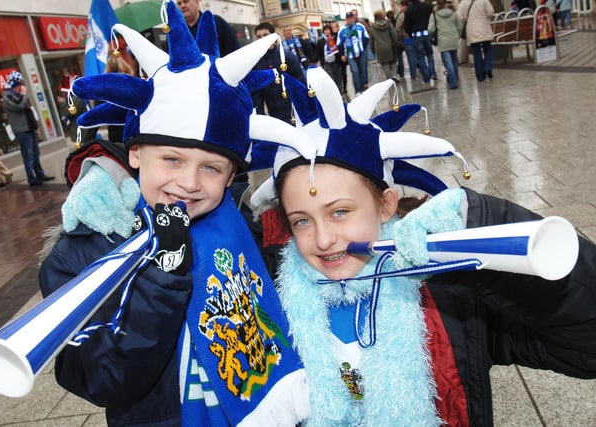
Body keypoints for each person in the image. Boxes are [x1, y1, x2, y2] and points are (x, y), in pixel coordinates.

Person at [248, 66, 596, 426]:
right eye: (302, 220)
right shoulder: (267, 297)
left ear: (385, 204)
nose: (323, 239)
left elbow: (585, 345)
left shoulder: (446, 297)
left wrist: (475, 227)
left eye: (339, 211)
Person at [39, 5, 308, 426]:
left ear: (231, 175)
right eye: (171, 158)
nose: (188, 183)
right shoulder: (86, 249)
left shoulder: (239, 222)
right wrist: (162, 283)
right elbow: (99, 379)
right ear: (135, 152)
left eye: (211, 167)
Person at [1, 71, 54, 186]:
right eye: (20, 84)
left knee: (35, 153)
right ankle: (31, 178)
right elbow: (19, 106)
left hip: (29, 128)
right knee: (28, 155)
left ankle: (40, 174)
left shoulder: (17, 96)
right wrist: (24, 94)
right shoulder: (7, 97)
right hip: (22, 130)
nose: (22, 86)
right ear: (15, 85)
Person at [251, 22, 305, 124]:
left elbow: (300, 82)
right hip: (274, 113)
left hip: (293, 109)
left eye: (265, 35)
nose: (262, 38)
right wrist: (260, 114)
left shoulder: (287, 56)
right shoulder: (256, 62)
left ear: (272, 36)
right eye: (259, 36)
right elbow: (257, 92)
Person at [429, 0, 462, 89]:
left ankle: (453, 83)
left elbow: (431, 28)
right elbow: (459, 26)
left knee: (448, 62)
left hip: (443, 40)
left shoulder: (435, 14)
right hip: (453, 38)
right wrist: (457, 35)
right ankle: (455, 79)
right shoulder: (453, 13)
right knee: (454, 61)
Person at [459, 0, 495, 81]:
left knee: (476, 53)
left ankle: (480, 76)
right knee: (488, 50)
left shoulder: (463, 3)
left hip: (471, 30)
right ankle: (488, 67)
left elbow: (460, 17)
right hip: (484, 28)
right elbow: (490, 12)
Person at [404, 0, 437, 84]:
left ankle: (426, 75)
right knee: (430, 54)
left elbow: (406, 25)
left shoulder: (409, 10)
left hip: (416, 35)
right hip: (427, 33)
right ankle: (433, 73)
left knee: (420, 57)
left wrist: (410, 33)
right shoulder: (427, 6)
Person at [337, 11, 370, 96]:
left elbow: (366, 37)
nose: (350, 20)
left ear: (353, 18)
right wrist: (342, 54)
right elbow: (339, 44)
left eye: (351, 18)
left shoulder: (360, 26)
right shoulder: (343, 30)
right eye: (348, 18)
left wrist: (362, 47)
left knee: (362, 70)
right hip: (350, 54)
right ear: (346, 19)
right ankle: (358, 90)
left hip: (361, 52)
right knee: (355, 71)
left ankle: (363, 89)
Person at [314, 23, 344, 94]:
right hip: (326, 63)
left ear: (330, 31)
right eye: (325, 30)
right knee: (331, 80)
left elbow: (339, 48)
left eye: (328, 30)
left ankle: (340, 93)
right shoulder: (320, 41)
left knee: (338, 79)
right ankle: (334, 94)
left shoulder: (335, 38)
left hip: (335, 62)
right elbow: (318, 52)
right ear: (323, 31)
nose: (327, 31)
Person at [369, 9, 399, 81]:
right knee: (393, 62)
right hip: (390, 47)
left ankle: (389, 78)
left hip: (379, 49)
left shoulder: (373, 27)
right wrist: (396, 43)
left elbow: (371, 39)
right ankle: (394, 75)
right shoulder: (388, 24)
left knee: (385, 64)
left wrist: (373, 49)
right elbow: (394, 34)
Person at [396, 0, 418, 80]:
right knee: (416, 54)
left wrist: (399, 38)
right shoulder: (414, 12)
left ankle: (413, 74)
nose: (400, 8)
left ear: (404, 6)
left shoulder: (403, 15)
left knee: (410, 55)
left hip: (406, 38)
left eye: (401, 6)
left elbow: (398, 28)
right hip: (416, 37)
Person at [331, 21, 348, 94]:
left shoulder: (341, 34)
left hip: (342, 55)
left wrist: (344, 54)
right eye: (333, 27)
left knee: (343, 73)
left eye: (336, 27)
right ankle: (339, 88)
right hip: (335, 58)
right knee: (337, 74)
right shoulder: (331, 37)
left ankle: (344, 87)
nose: (334, 28)